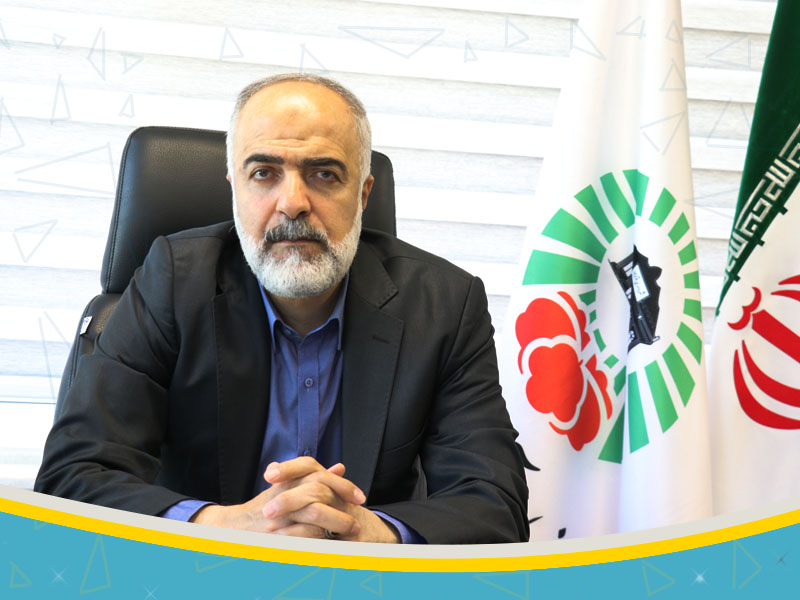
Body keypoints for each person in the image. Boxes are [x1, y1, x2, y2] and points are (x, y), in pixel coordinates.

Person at [35, 74, 529, 544]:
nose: (292, 203)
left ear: (363, 194)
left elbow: (495, 504)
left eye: (324, 174)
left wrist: (363, 530)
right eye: (263, 174)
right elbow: (72, 475)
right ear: (235, 188)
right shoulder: (172, 281)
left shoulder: (445, 305)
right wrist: (223, 525)